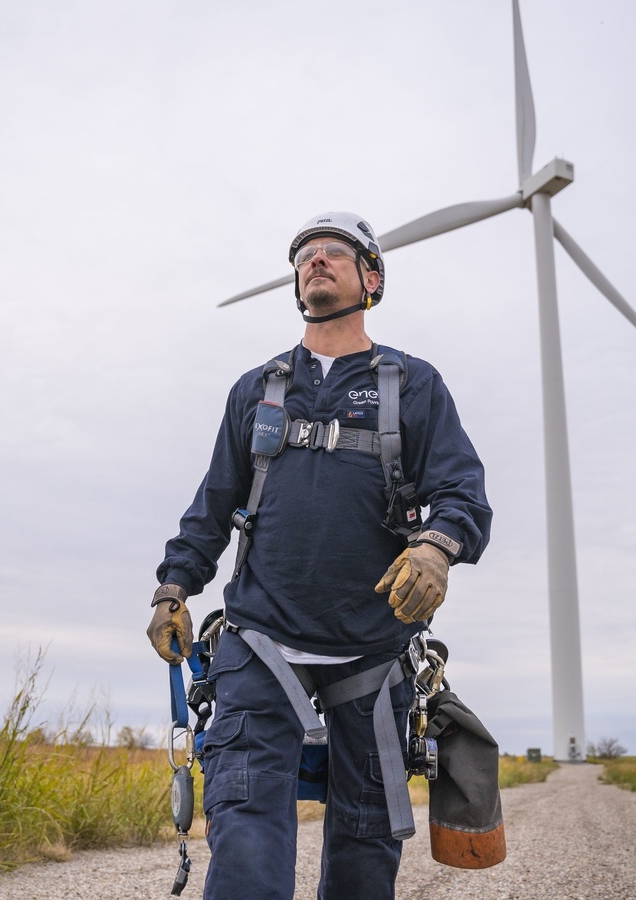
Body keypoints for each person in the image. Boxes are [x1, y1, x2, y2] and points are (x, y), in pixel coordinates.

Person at [147, 211, 492, 900]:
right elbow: (214, 504)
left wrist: (435, 548)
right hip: (259, 641)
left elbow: (464, 496)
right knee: (244, 829)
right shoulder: (258, 389)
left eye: (336, 251)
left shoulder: (412, 386)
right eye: (305, 254)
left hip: (372, 651)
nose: (317, 260)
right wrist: (173, 587)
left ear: (373, 277)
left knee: (365, 849)